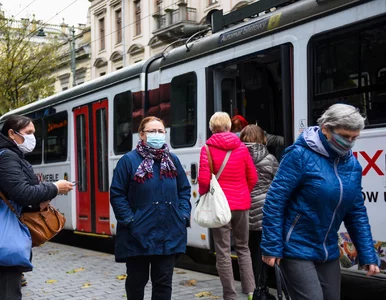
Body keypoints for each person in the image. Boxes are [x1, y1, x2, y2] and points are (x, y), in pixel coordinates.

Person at [261, 104, 380, 300]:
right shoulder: (299, 155)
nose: (349, 143)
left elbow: (356, 212)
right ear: (325, 128)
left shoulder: (352, 166)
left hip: (328, 250)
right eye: (344, 136)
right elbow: (275, 201)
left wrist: (367, 254)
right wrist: (272, 245)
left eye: (354, 138)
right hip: (296, 248)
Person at [110, 116, 191, 300]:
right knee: (136, 284)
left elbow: (184, 190)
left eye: (160, 131)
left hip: (168, 233)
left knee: (163, 284)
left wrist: (183, 215)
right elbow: (117, 194)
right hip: (137, 235)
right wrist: (130, 221)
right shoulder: (128, 161)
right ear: (141, 135)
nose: (157, 134)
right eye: (151, 131)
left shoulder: (172, 160)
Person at [0, 115, 74, 300]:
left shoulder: (10, 155)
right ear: (12, 133)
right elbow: (22, 192)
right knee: (9, 291)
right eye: (29, 133)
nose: (33, 137)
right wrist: (55, 187)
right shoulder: (7, 157)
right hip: (6, 236)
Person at [198, 112, 258, 300]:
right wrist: (242, 193)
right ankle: (250, 291)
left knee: (223, 251)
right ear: (229, 127)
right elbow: (253, 177)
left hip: (219, 207)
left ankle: (230, 295)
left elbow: (203, 180)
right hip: (241, 204)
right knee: (243, 247)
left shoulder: (207, 148)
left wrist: (205, 195)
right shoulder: (241, 148)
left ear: (211, 128)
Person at [239, 125, 279, 287]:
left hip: (243, 210)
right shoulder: (270, 159)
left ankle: (250, 286)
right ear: (262, 138)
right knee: (265, 250)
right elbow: (279, 185)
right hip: (265, 212)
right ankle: (264, 285)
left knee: (248, 250)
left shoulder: (237, 158)